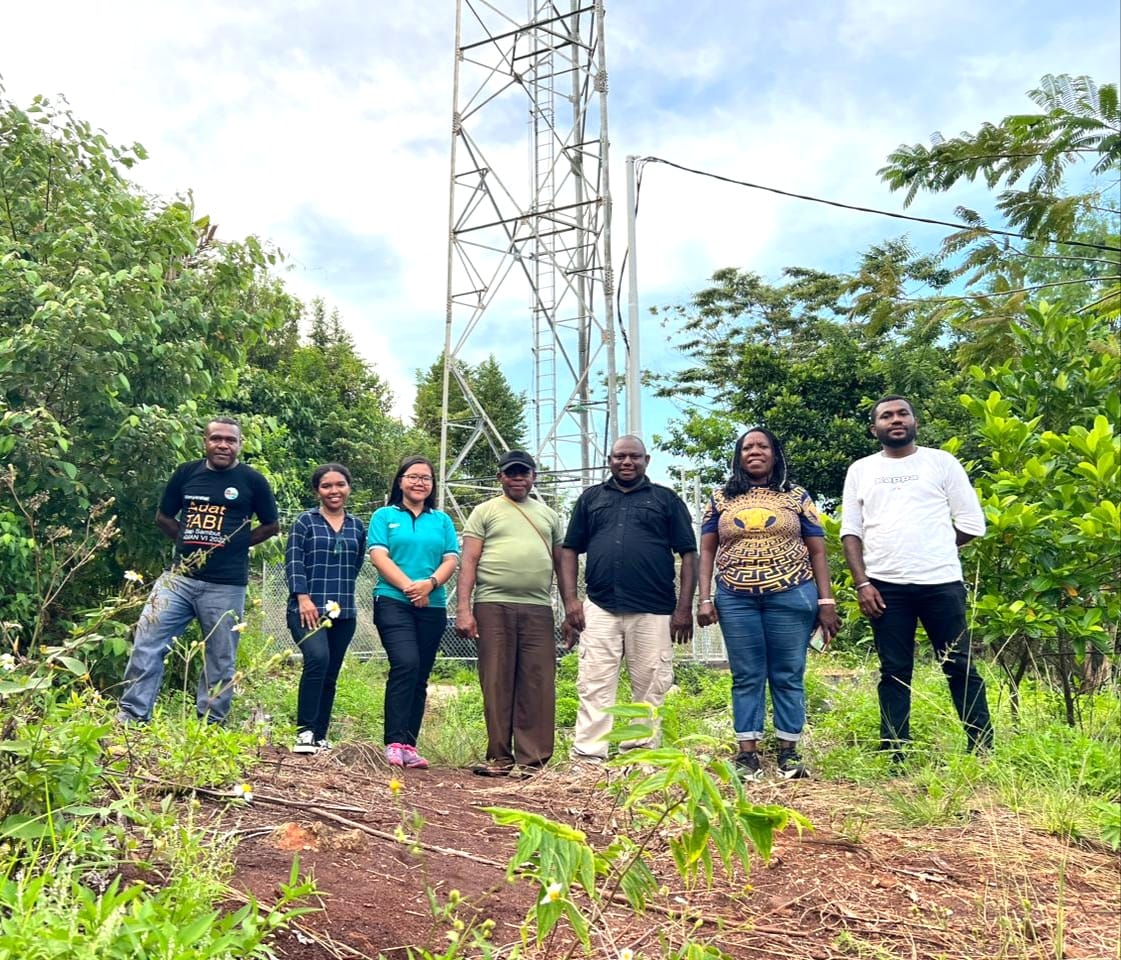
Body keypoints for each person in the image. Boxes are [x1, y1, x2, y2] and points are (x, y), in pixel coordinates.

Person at [841, 395, 993, 760]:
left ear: (914, 422)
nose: (896, 420)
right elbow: (850, 532)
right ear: (874, 428)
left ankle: (982, 747)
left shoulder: (941, 463)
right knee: (893, 670)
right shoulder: (861, 470)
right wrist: (863, 583)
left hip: (941, 583)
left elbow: (972, 524)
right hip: (884, 587)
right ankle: (895, 751)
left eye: (903, 413)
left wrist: (936, 546)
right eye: (887, 416)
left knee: (959, 664)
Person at [697, 428, 840, 780]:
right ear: (738, 456)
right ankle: (748, 754)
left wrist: (826, 600)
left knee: (788, 673)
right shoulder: (720, 499)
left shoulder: (797, 496)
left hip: (791, 593)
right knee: (746, 675)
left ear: (775, 454)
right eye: (748, 447)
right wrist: (704, 597)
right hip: (735, 596)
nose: (755, 451)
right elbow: (707, 550)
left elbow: (818, 550)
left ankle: (788, 752)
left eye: (763, 446)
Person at [118, 417, 280, 724]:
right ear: (205, 442)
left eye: (230, 440)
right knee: (147, 642)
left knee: (220, 658)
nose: (223, 444)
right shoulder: (186, 474)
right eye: (216, 438)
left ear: (239, 445)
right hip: (177, 579)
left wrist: (235, 544)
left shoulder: (253, 481)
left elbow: (272, 525)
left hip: (227, 585)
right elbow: (164, 517)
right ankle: (131, 717)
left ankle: (210, 725)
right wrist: (187, 544)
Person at [560, 435, 698, 762]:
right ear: (610, 460)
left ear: (646, 460)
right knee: (594, 684)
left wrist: (684, 609)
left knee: (651, 687)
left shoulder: (666, 500)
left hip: (654, 610)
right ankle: (589, 757)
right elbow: (569, 550)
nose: (627, 462)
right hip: (600, 606)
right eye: (620, 456)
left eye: (634, 457)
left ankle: (639, 758)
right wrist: (571, 602)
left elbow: (689, 554)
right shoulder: (591, 499)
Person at [455, 450, 565, 776]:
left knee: (538, 682)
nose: (518, 478)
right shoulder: (484, 511)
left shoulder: (549, 516)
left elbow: (563, 565)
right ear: (500, 477)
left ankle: (534, 762)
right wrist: (463, 608)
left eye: (524, 472)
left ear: (533, 476)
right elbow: (469, 561)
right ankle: (500, 759)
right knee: (496, 679)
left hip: (538, 608)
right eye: (511, 473)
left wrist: (571, 606)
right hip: (492, 604)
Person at [367, 456, 459, 769]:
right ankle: (392, 741)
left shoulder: (442, 520)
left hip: (432, 604)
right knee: (405, 663)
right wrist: (411, 587)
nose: (419, 482)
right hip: (393, 600)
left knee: (420, 673)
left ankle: (409, 744)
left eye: (426, 478)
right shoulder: (384, 515)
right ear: (400, 481)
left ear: (432, 485)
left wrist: (429, 585)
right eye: (413, 476)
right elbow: (379, 556)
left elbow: (450, 559)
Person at [285, 464, 366, 755]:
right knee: (317, 659)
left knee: (330, 672)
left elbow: (355, 565)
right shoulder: (305, 522)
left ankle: (320, 735)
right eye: (327, 486)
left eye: (340, 484)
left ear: (348, 487)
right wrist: (303, 598)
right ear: (317, 490)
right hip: (306, 609)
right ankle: (304, 732)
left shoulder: (357, 526)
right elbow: (293, 562)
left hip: (343, 613)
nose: (334, 491)